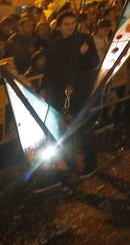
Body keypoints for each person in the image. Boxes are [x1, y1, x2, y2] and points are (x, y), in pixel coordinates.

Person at [38, 10, 100, 187]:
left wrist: (85, 53)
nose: (70, 27)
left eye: (73, 23)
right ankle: (64, 166)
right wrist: (43, 88)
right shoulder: (54, 45)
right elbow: (49, 70)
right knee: (59, 133)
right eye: (66, 24)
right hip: (58, 93)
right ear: (59, 26)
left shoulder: (84, 40)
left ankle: (89, 164)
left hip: (79, 92)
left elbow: (94, 62)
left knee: (84, 129)